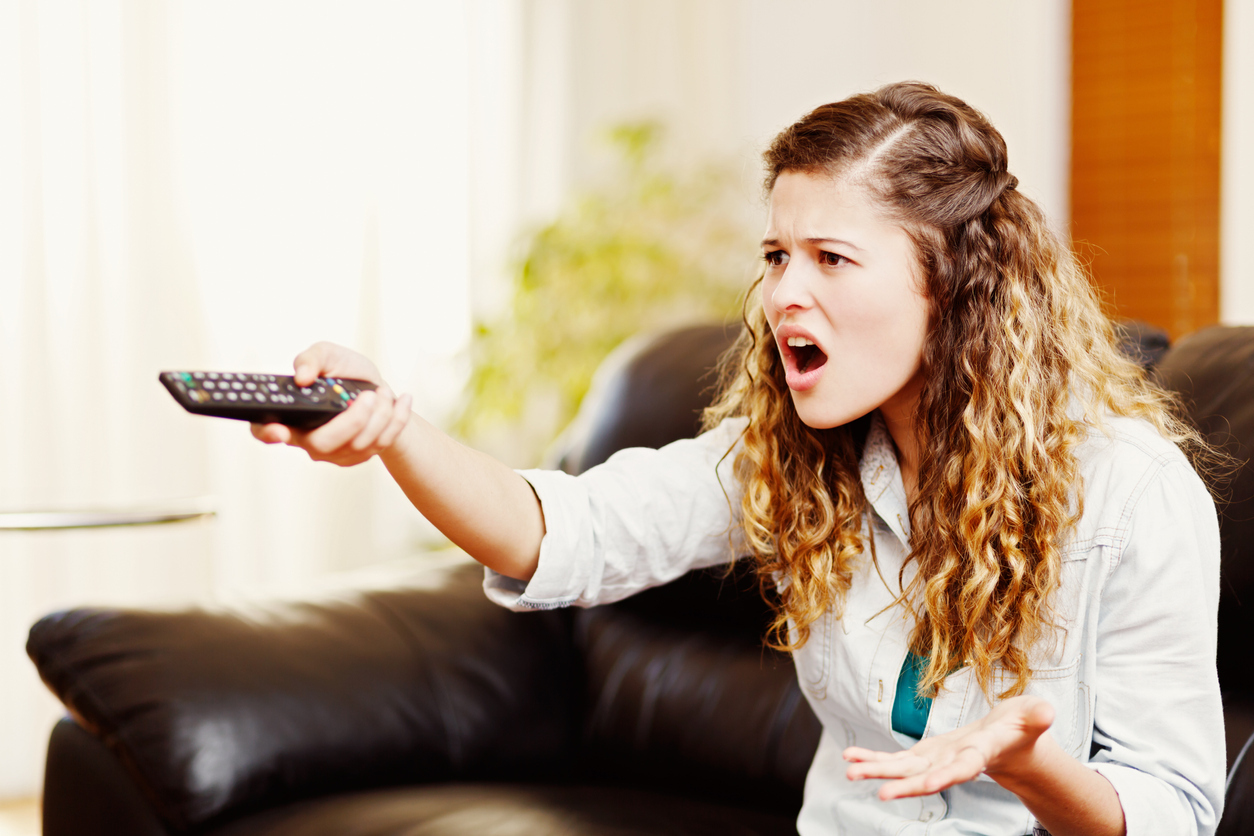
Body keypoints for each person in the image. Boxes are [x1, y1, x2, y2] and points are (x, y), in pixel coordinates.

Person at [251, 82, 1225, 835]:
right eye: (774, 255)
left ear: (958, 284)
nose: (779, 296)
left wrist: (1035, 769)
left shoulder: (1131, 495)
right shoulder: (796, 454)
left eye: (831, 258)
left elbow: (1175, 807)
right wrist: (393, 429)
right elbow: (563, 532)